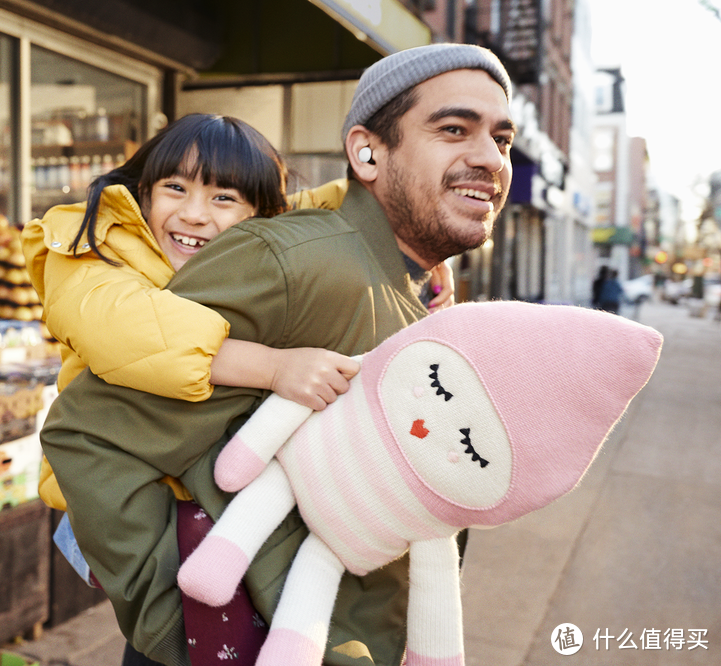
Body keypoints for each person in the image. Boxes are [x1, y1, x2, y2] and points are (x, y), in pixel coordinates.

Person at [39, 42, 514, 666]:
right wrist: (168, 629)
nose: (195, 214)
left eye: (503, 140)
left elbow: (304, 205)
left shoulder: (344, 261)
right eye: (453, 129)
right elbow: (90, 419)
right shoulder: (112, 259)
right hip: (195, 601)